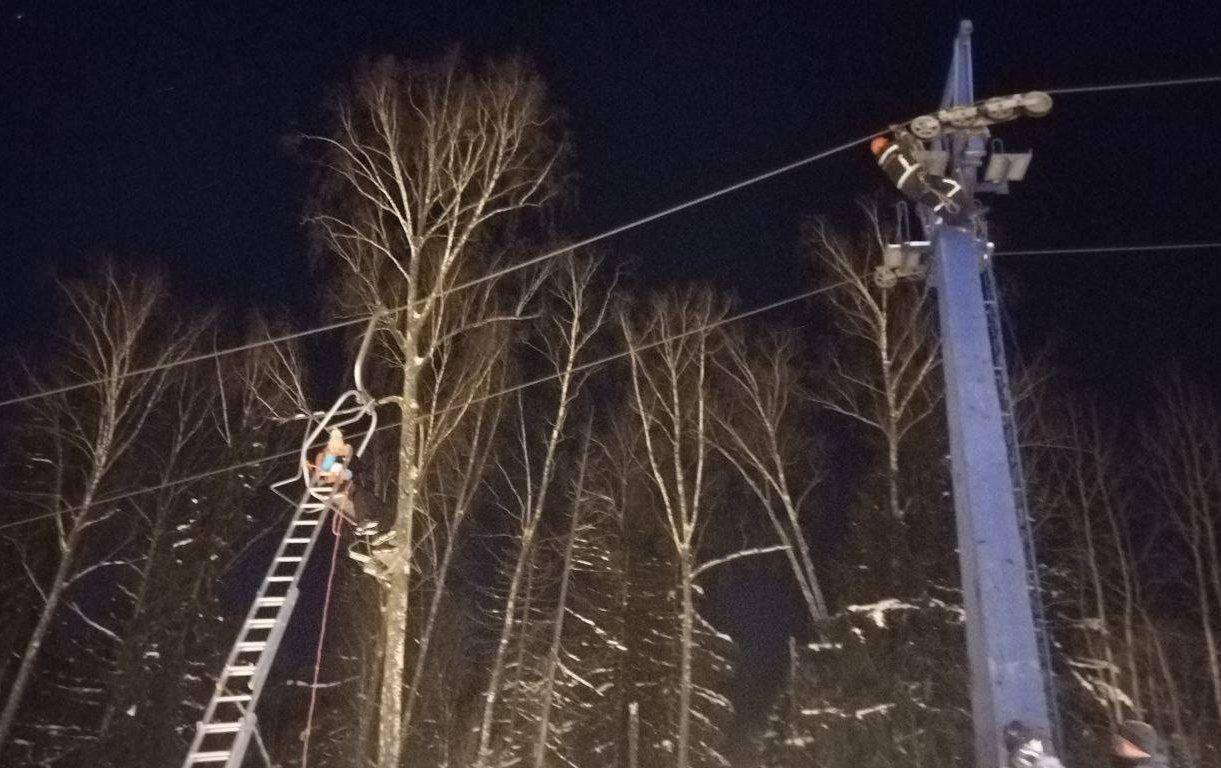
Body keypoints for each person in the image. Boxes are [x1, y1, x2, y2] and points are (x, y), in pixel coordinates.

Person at [871, 129, 969, 221]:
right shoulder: (892, 147)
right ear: (883, 144)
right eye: (886, 141)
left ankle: (953, 216)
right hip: (918, 179)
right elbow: (908, 141)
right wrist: (901, 131)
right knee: (941, 157)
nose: (888, 141)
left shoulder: (884, 164)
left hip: (911, 191)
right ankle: (963, 204)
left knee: (935, 202)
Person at [313, 428, 377, 534]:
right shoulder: (324, 455)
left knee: (364, 494)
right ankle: (363, 522)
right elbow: (320, 471)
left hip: (346, 482)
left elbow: (357, 467)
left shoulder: (346, 454)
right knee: (359, 493)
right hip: (333, 484)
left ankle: (371, 523)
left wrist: (348, 464)